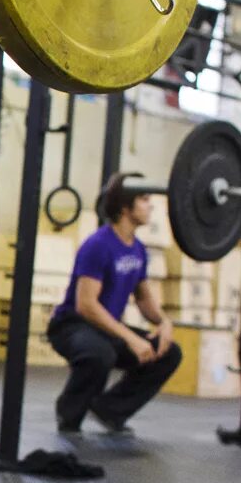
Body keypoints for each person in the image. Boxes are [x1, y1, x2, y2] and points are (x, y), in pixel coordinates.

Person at [45, 171, 181, 434]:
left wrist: (164, 322)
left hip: (105, 328)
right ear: (124, 206)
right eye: (143, 199)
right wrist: (131, 338)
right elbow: (86, 305)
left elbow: (142, 297)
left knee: (169, 353)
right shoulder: (98, 245)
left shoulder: (137, 249)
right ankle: (69, 414)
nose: (150, 205)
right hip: (72, 325)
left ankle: (110, 409)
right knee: (100, 354)